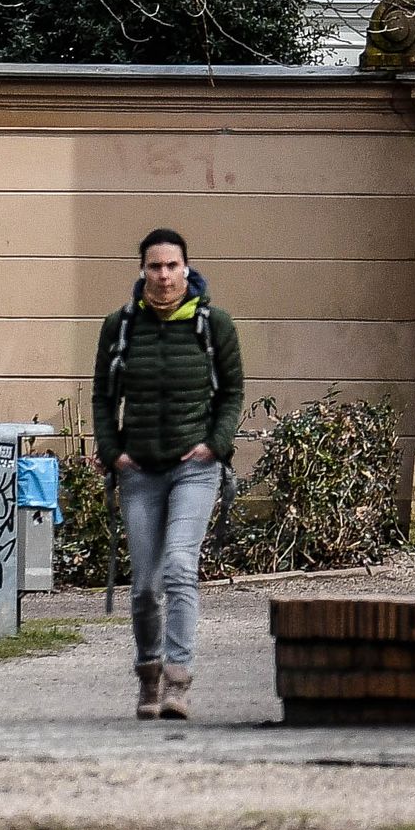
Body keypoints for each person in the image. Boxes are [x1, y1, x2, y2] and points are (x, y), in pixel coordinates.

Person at [91, 227, 247, 721]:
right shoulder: (119, 327)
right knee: (144, 586)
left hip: (193, 468)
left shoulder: (212, 325)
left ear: (186, 269)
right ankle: (148, 675)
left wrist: (216, 445)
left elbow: (232, 393)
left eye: (171, 266)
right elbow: (102, 397)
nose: (163, 276)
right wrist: (112, 450)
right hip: (138, 469)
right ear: (143, 271)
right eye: (154, 267)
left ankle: (178, 681)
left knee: (180, 567)